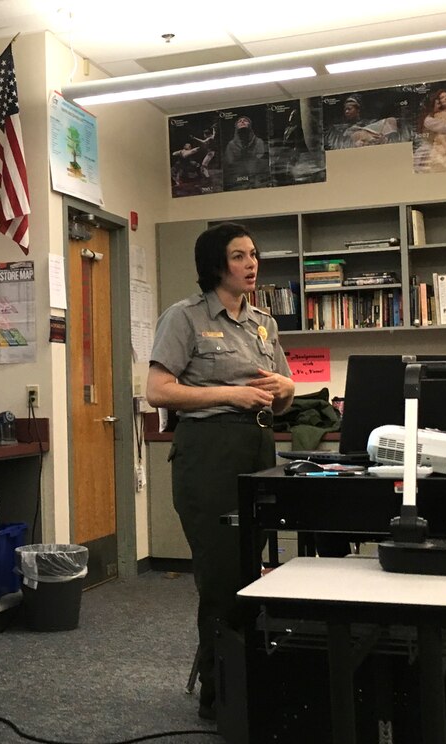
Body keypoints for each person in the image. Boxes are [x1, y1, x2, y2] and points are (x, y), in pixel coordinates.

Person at [146, 222, 295, 721]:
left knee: (249, 572)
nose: (251, 264)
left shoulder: (264, 323)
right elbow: (159, 392)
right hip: (207, 450)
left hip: (258, 444)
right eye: (238, 256)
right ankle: (220, 694)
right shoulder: (184, 318)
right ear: (215, 264)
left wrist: (285, 387)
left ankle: (247, 681)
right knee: (220, 577)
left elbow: (285, 390)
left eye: (254, 254)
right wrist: (230, 394)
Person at [326, 94, 399, 150]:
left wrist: (383, 139)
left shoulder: (371, 122)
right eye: (345, 110)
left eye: (349, 109)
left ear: (358, 110)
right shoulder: (341, 129)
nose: (346, 112)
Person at [222, 116, 268, 189]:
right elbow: (229, 164)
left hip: (256, 181)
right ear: (236, 126)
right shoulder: (231, 145)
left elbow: (261, 163)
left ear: (250, 125)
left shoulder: (259, 142)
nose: (242, 122)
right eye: (240, 121)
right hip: (238, 182)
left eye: (245, 120)